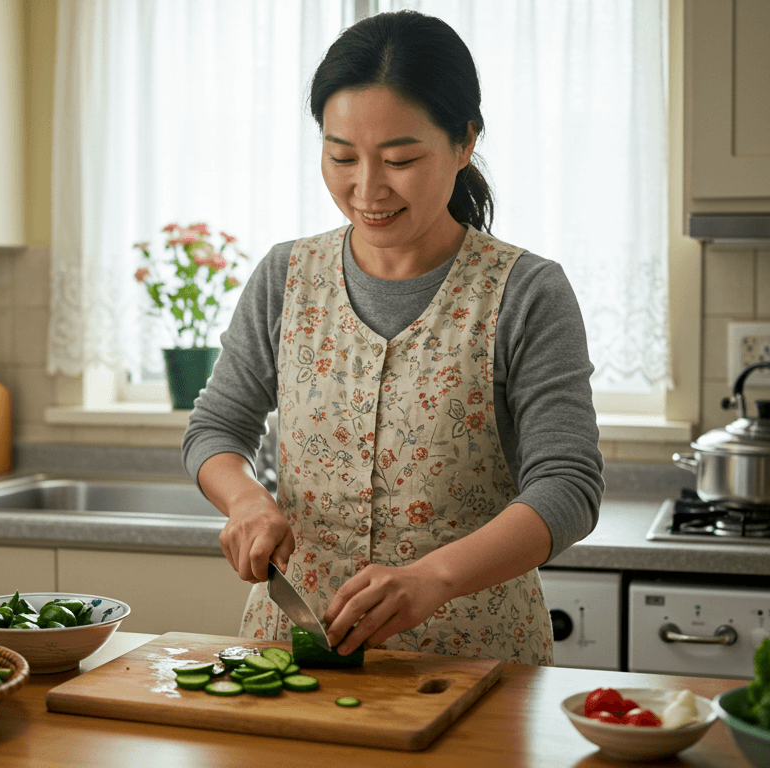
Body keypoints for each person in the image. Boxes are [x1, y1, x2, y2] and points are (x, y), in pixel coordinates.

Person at [182, 10, 603, 666]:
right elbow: (215, 428)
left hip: (475, 662)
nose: (367, 189)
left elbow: (568, 484)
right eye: (341, 156)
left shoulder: (526, 291)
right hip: (292, 653)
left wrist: (434, 577)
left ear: (464, 144)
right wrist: (244, 499)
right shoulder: (284, 277)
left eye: (401, 159)